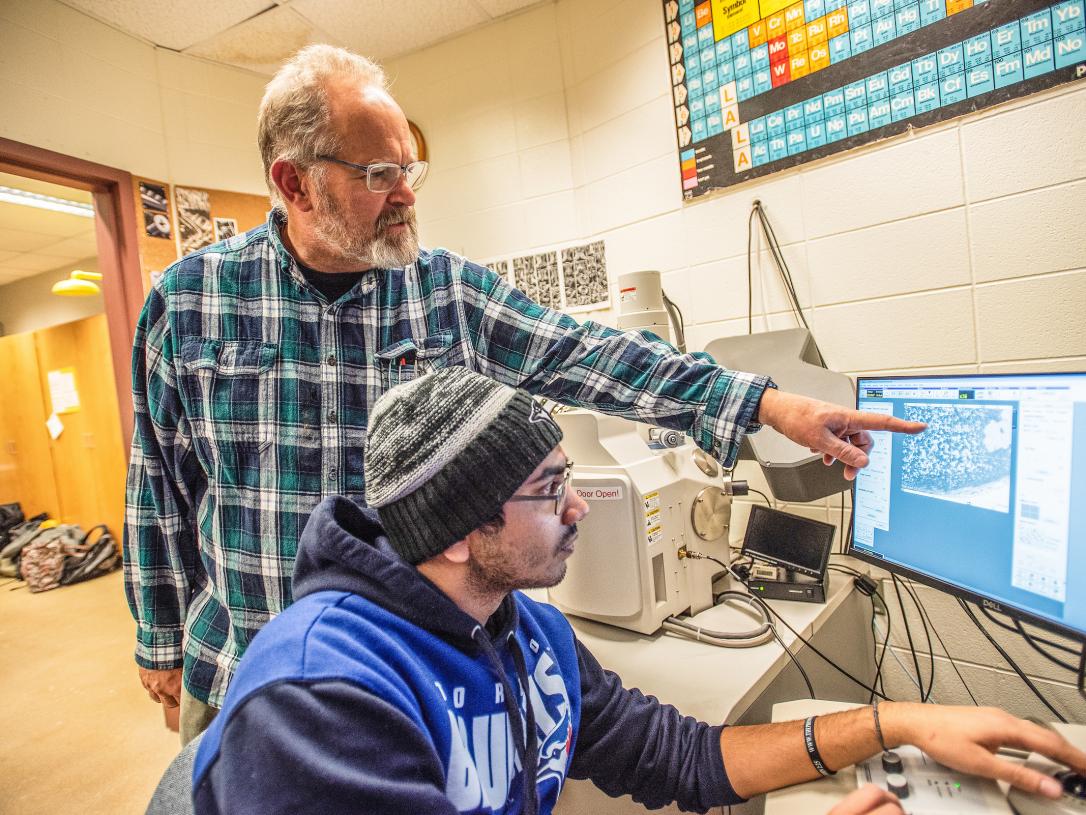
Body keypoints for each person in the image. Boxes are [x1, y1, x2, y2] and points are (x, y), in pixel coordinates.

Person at [124, 43, 924, 743]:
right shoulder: (189, 301)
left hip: (412, 676)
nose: (406, 194)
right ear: (294, 183)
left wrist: (766, 404)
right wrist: (159, 638)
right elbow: (157, 480)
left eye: (410, 169)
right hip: (246, 669)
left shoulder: (446, 293)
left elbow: (593, 356)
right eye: (379, 175)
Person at [191, 367, 1084, 815]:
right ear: (459, 531)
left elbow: (681, 756)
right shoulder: (320, 701)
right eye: (550, 489)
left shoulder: (523, 632)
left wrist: (897, 723)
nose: (579, 505)